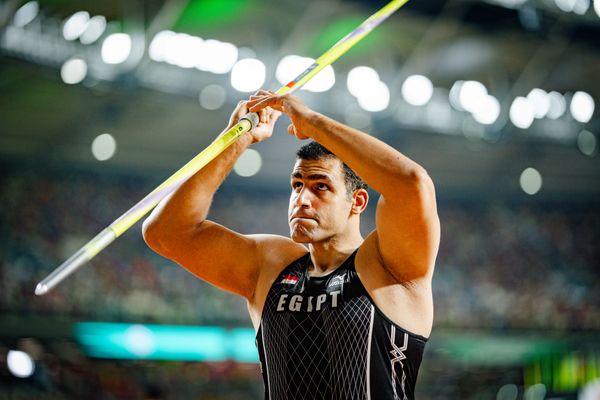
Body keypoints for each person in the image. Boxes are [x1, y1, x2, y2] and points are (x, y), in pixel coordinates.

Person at [142, 90, 440, 400]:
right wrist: (235, 141)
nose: (302, 200)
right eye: (297, 185)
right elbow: (166, 232)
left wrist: (311, 122)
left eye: (320, 186)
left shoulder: (388, 264)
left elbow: (412, 183)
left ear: (357, 202)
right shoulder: (272, 265)